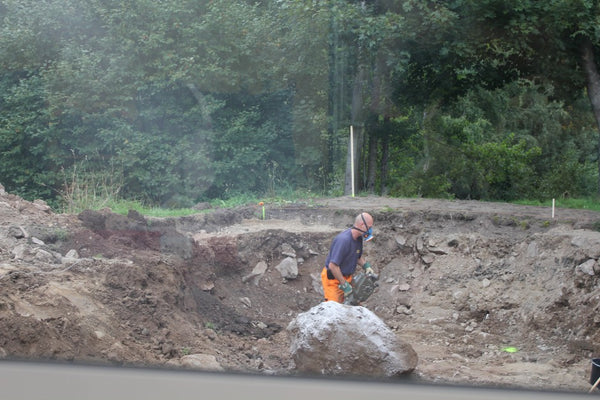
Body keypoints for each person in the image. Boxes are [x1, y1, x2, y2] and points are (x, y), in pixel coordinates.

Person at [321, 212, 375, 303]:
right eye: (369, 227)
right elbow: (333, 266)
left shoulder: (358, 238)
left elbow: (357, 256)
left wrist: (366, 266)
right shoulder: (343, 240)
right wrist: (344, 284)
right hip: (334, 280)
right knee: (334, 309)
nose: (370, 230)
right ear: (362, 225)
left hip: (346, 278)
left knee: (348, 307)